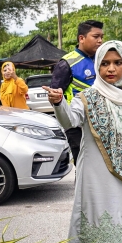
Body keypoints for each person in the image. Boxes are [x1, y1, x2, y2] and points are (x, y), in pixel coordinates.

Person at [43, 40, 122, 243]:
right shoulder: (87, 97)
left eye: (117, 63)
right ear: (97, 66)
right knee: (97, 222)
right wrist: (58, 103)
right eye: (105, 63)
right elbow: (70, 120)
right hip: (95, 177)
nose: (111, 69)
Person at [50, 20, 104, 164]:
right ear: (81, 38)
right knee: (83, 166)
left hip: (101, 124)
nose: (100, 40)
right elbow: (54, 97)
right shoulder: (66, 63)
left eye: (101, 37)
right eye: (96, 36)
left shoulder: (103, 59)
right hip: (77, 126)